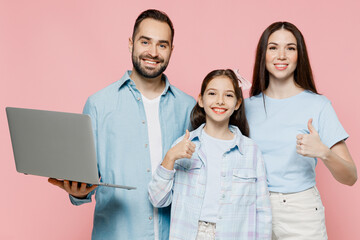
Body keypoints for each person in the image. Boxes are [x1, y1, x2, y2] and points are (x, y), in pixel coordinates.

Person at [48, 9, 196, 240]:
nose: (153, 52)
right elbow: (85, 175)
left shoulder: (189, 107)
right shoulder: (98, 104)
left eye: (162, 45)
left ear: (171, 50)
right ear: (131, 44)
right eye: (145, 42)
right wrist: (77, 192)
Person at [245, 22, 358, 240]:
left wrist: (323, 152)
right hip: (254, 207)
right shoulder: (246, 107)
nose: (281, 55)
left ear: (300, 55)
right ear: (263, 54)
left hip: (301, 211)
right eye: (273, 47)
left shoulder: (318, 105)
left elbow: (350, 177)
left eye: (290, 48)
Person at [148, 69, 272, 240]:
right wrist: (170, 158)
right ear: (200, 99)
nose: (220, 101)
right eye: (212, 93)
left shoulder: (251, 151)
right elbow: (157, 200)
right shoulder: (183, 144)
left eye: (228, 95)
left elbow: (263, 212)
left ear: (237, 103)